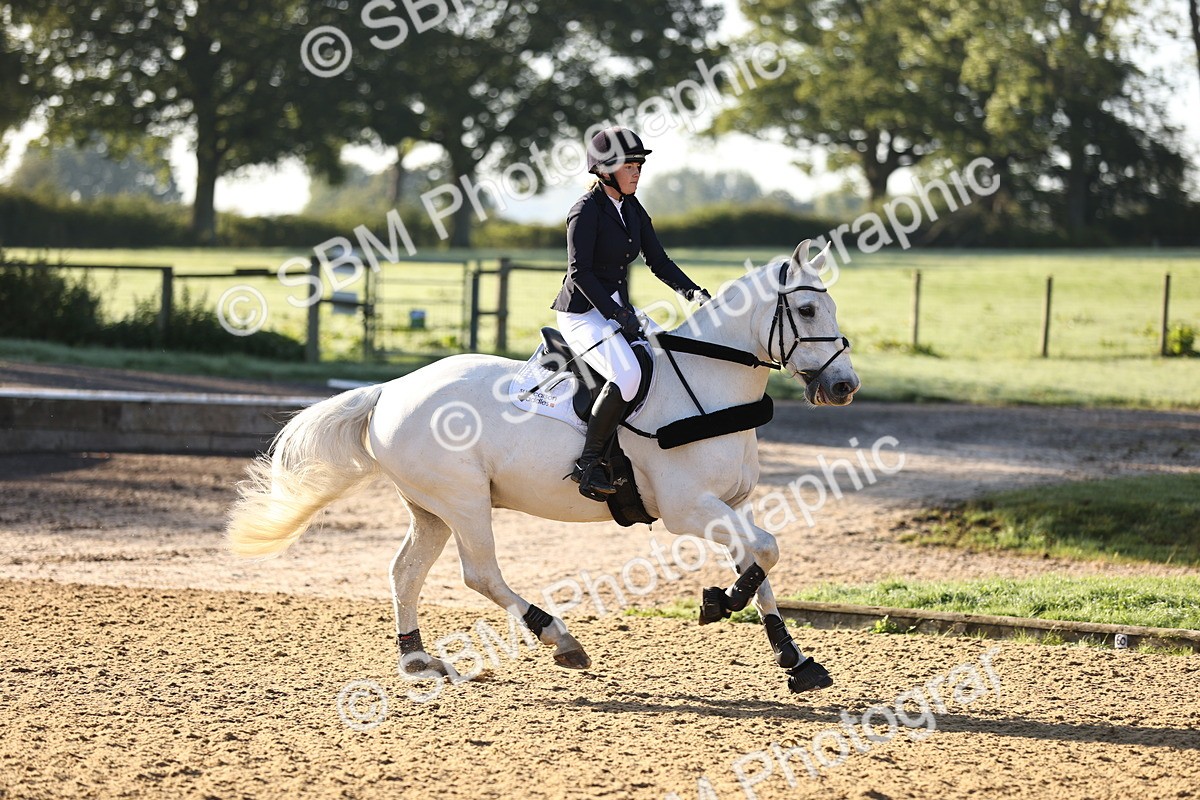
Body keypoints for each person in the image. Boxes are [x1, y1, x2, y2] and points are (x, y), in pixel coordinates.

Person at [551, 127, 711, 501]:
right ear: (606, 169)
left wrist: (695, 293)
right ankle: (588, 465)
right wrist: (616, 314)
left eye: (640, 164)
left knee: (669, 357)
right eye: (631, 165)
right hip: (582, 313)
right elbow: (580, 273)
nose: (638, 171)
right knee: (627, 375)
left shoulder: (632, 208)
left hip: (618, 310)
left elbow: (659, 260)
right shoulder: (585, 210)